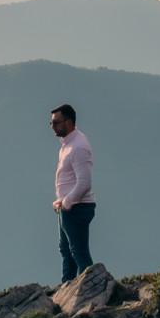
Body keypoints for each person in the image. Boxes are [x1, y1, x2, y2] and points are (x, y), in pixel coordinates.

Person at [48, 103, 96, 282]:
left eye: (56, 122)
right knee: (66, 249)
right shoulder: (67, 145)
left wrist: (66, 203)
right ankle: (67, 286)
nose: (53, 126)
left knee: (78, 250)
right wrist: (61, 201)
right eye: (51, 123)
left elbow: (84, 183)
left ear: (68, 122)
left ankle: (92, 286)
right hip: (68, 207)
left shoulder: (78, 147)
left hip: (77, 208)